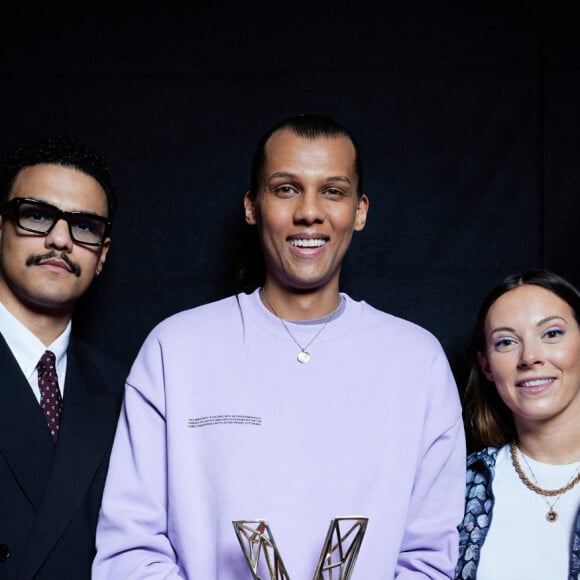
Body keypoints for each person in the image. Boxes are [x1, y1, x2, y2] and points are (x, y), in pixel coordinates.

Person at [92, 113, 466, 578]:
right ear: (252, 207)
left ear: (360, 211)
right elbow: (129, 551)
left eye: (333, 191)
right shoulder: (175, 350)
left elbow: (430, 558)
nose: (309, 211)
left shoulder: (418, 360)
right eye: (286, 188)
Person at [0, 137, 127, 580]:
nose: (60, 240)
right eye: (37, 216)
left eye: (84, 226)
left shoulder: (127, 391)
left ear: (102, 255)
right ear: (1, 227)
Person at [455, 269, 580, 579]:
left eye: (552, 334)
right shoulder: (458, 486)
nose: (530, 357)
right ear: (486, 366)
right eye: (507, 342)